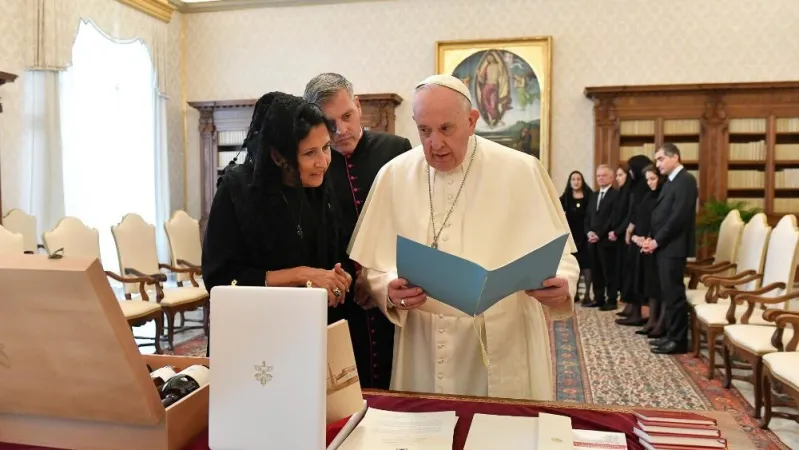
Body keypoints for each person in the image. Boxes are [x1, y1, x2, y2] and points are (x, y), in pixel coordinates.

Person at [347, 74, 578, 401]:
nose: (435, 144)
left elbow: (562, 258)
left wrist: (562, 284)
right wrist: (389, 287)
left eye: (446, 129)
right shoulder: (395, 175)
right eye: (424, 131)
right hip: (425, 344)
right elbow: (374, 267)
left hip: (505, 336)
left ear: (471, 121)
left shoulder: (521, 170)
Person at [201, 92, 353, 358]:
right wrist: (301, 274)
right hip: (251, 339)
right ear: (278, 156)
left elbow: (339, 255)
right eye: (309, 153)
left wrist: (341, 277)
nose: (323, 162)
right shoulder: (237, 190)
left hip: (310, 333)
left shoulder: (320, 187)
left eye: (326, 148)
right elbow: (220, 279)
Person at [303, 73, 412, 389]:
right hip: (339, 292)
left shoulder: (396, 149)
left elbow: (408, 222)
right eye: (329, 122)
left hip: (392, 283)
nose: (341, 130)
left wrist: (377, 278)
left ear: (358, 105)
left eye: (347, 116)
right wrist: (351, 277)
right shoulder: (315, 164)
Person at [643, 143, 698, 355]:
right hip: (664, 246)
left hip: (673, 247)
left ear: (674, 157)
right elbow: (661, 213)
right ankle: (670, 334)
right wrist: (652, 238)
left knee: (674, 295)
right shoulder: (671, 181)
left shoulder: (686, 181)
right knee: (667, 293)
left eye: (660, 159)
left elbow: (678, 218)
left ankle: (678, 340)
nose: (657, 164)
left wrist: (657, 241)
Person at [613, 155, 653, 324]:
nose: (630, 172)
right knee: (630, 273)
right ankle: (632, 309)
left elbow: (639, 210)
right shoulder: (638, 185)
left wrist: (630, 228)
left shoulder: (644, 184)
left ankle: (637, 314)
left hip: (641, 234)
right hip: (636, 233)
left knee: (636, 275)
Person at [630, 165, 666, 337]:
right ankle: (652, 319)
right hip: (645, 243)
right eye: (648, 180)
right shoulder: (648, 195)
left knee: (658, 285)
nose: (650, 183)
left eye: (653, 179)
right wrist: (638, 236)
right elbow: (642, 218)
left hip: (658, 244)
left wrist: (650, 239)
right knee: (650, 284)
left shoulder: (664, 195)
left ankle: (659, 322)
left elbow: (662, 222)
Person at [583, 164, 620, 311]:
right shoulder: (593, 195)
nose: (601, 178)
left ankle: (611, 300)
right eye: (598, 176)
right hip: (592, 240)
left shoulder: (616, 194)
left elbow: (613, 218)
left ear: (611, 177)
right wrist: (589, 233)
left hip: (606, 241)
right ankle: (598, 298)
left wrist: (599, 234)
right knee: (596, 271)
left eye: (604, 175)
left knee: (608, 271)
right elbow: (587, 217)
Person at [560, 171, 593, 303]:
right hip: (572, 235)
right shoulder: (566, 197)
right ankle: (575, 293)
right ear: (570, 181)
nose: (576, 182)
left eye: (578, 179)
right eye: (573, 179)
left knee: (587, 264)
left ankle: (587, 295)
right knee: (575, 264)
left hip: (586, 234)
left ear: (582, 181)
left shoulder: (590, 196)